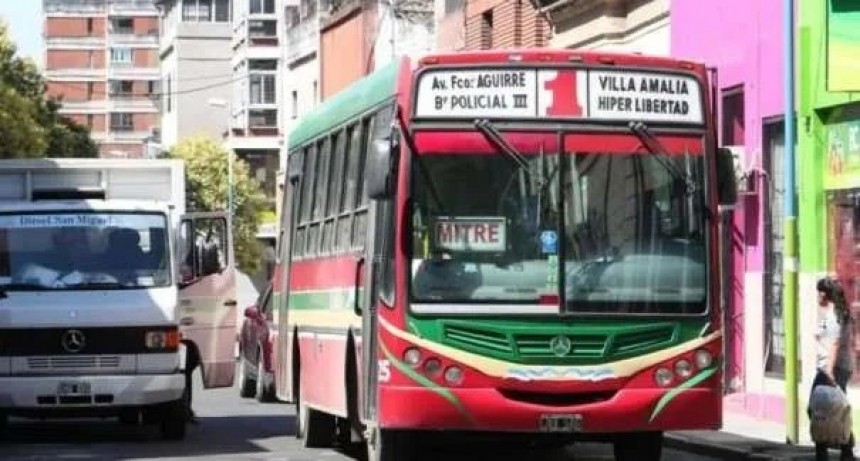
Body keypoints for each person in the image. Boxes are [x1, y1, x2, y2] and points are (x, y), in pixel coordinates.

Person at [811, 277, 856, 461]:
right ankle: (845, 451)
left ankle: (825, 452)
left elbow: (835, 343)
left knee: (817, 409)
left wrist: (829, 371)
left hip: (831, 369)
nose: (817, 295)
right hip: (837, 367)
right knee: (835, 410)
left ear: (824, 294)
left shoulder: (835, 317)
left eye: (819, 291)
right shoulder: (838, 313)